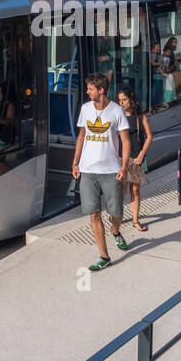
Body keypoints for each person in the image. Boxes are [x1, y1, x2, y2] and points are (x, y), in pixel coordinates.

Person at [72, 72, 131, 272]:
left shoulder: (117, 111)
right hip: (88, 171)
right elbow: (81, 136)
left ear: (101, 90)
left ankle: (115, 230)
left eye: (90, 88)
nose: (87, 92)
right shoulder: (85, 109)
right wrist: (75, 162)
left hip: (111, 171)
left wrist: (123, 167)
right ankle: (104, 256)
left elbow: (125, 140)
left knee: (116, 213)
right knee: (94, 214)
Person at [115, 86, 152, 233]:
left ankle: (135, 220)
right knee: (121, 190)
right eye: (119, 100)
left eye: (124, 100)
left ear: (131, 100)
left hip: (136, 158)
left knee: (135, 190)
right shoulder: (117, 116)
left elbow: (149, 136)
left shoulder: (140, 117)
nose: (121, 103)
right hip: (119, 158)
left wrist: (142, 154)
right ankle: (118, 217)